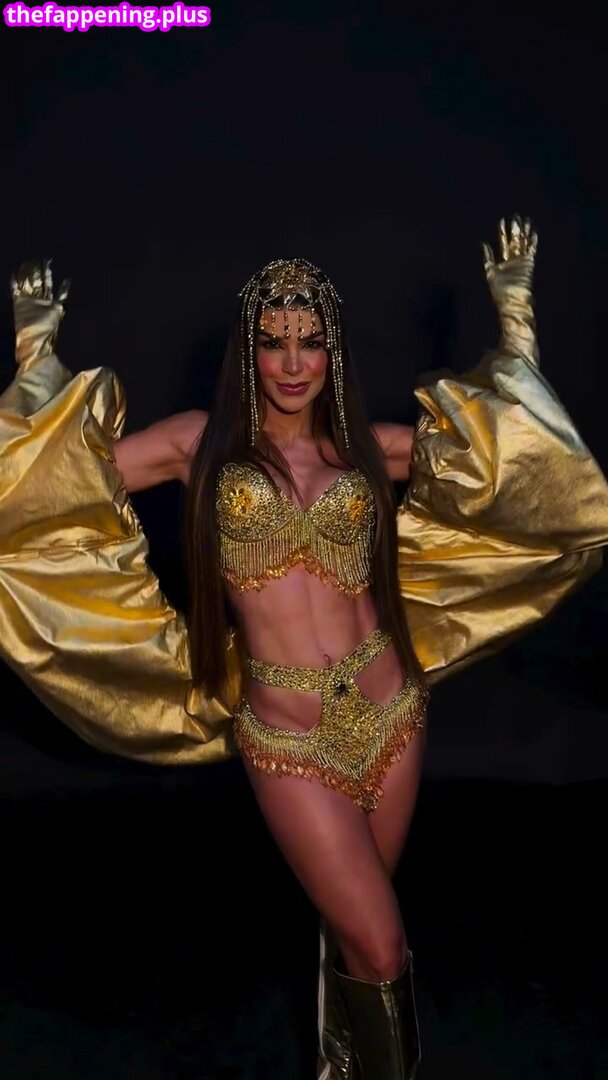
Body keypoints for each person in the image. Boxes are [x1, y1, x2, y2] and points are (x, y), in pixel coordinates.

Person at [1, 219, 607, 1080]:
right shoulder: (197, 444)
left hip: (393, 711)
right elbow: (44, 486)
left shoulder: (365, 447)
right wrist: (36, 356)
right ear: (248, 350)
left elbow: (520, 466)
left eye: (311, 341)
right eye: (274, 341)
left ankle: (337, 1069)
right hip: (287, 737)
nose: (293, 363)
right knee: (383, 945)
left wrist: (517, 321)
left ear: (333, 351)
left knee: (355, 936)